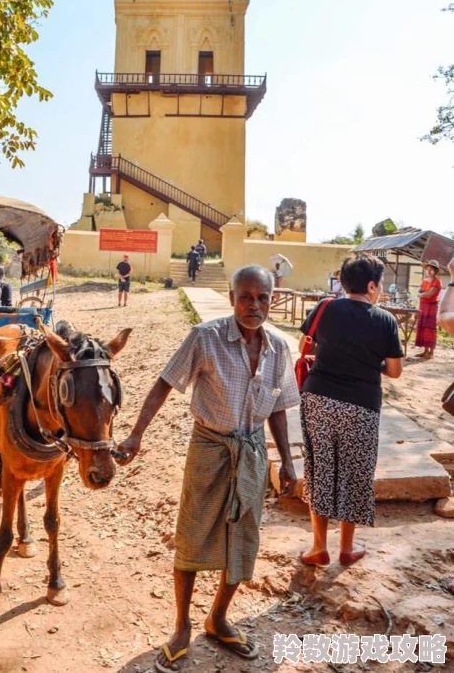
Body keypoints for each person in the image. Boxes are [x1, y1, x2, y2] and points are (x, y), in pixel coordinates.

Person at [118, 265, 300, 672]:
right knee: (194, 534)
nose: (254, 305)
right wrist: (136, 435)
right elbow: (166, 382)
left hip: (252, 451)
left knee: (243, 537)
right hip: (209, 447)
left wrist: (286, 460)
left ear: (272, 299)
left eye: (262, 297)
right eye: (245, 296)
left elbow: (279, 409)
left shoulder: (278, 349)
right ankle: (181, 626)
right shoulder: (206, 337)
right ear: (233, 297)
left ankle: (217, 618)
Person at [298, 255, 403, 568]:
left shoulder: (325, 307)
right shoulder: (385, 320)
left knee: (320, 470)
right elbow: (395, 371)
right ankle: (346, 547)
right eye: (380, 284)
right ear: (371, 285)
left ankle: (318, 547)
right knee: (354, 475)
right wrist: (372, 361)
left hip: (318, 398)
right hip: (361, 406)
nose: (380, 290)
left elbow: (308, 344)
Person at [414, 260, 442, 359]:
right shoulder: (424, 280)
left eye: (431, 269)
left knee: (430, 328)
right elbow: (419, 290)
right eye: (428, 269)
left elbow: (430, 294)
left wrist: (420, 294)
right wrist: (420, 294)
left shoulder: (437, 281)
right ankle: (425, 351)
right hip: (423, 306)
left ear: (436, 271)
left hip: (431, 306)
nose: (429, 271)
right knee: (423, 327)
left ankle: (431, 352)